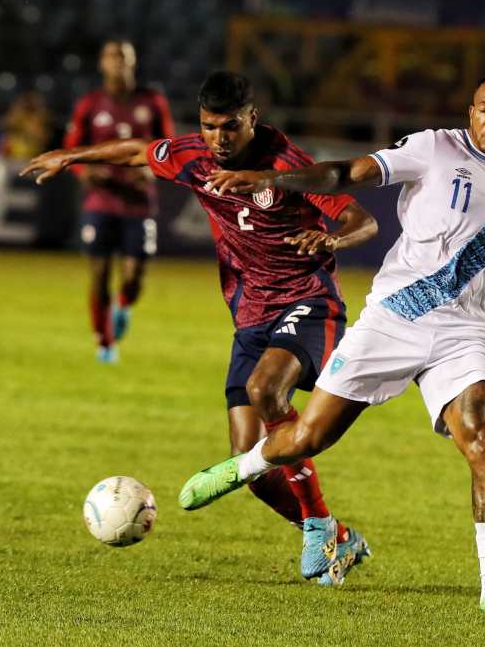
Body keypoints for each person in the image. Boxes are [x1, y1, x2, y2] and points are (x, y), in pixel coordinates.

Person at [176, 74, 485, 615]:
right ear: (471, 111)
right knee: (306, 437)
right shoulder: (433, 147)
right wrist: (270, 180)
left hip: (465, 335)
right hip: (395, 319)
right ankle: (244, 467)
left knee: (482, 441)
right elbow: (348, 173)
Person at [21, 71, 379, 586]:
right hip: (250, 317)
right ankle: (333, 534)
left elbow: (361, 220)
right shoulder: (195, 156)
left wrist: (332, 242)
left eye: (230, 126)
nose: (219, 138)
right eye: (210, 127)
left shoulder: (288, 166)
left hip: (308, 301)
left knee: (265, 390)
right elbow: (137, 153)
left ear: (252, 119)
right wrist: (71, 156)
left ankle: (320, 530)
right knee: (250, 464)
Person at [63, 39, 174, 363]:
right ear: (102, 63)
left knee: (134, 276)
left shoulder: (152, 101)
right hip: (101, 200)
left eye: (124, 57)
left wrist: (154, 172)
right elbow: (72, 147)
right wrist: (84, 172)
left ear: (133, 62)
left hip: (139, 202)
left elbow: (168, 145)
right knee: (98, 272)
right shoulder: (91, 103)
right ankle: (104, 341)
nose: (118, 63)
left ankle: (123, 305)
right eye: (112, 57)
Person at [0, 91, 52, 161]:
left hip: (31, 157)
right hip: (12, 157)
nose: (27, 105)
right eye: (25, 103)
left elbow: (43, 137)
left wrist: (27, 127)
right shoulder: (16, 116)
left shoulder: (41, 117)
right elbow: (4, 125)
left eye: (31, 103)